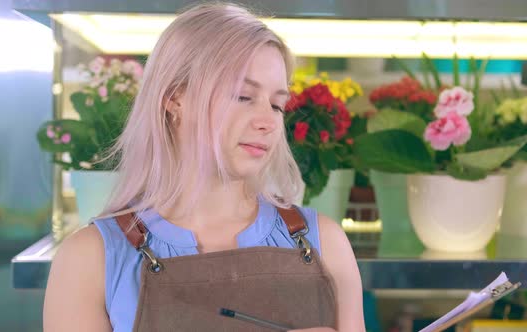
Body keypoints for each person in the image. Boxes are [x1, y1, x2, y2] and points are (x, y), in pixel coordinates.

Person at [43, 3, 364, 331]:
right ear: (174, 98)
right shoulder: (89, 260)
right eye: (243, 96)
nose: (268, 121)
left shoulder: (326, 242)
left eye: (277, 105)